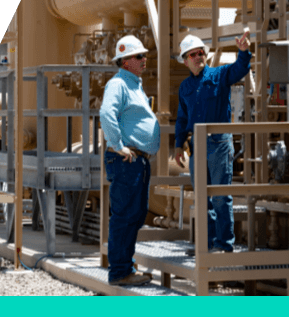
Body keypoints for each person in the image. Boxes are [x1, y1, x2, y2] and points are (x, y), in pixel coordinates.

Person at [174, 31, 252, 255]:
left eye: (201, 53)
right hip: (196, 146)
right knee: (202, 197)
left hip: (219, 144)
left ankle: (223, 245)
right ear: (185, 60)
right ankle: (206, 244)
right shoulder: (185, 87)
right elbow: (181, 118)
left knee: (219, 196)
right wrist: (179, 146)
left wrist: (244, 52)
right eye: (193, 54)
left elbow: (240, 69)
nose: (198, 57)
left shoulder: (219, 75)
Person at [100, 35, 160, 285]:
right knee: (125, 215)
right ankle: (120, 271)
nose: (144, 59)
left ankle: (126, 266)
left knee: (135, 215)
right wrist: (118, 145)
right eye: (139, 56)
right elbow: (106, 112)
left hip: (137, 161)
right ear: (125, 61)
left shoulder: (134, 84)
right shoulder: (118, 85)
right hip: (126, 159)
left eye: (144, 55)